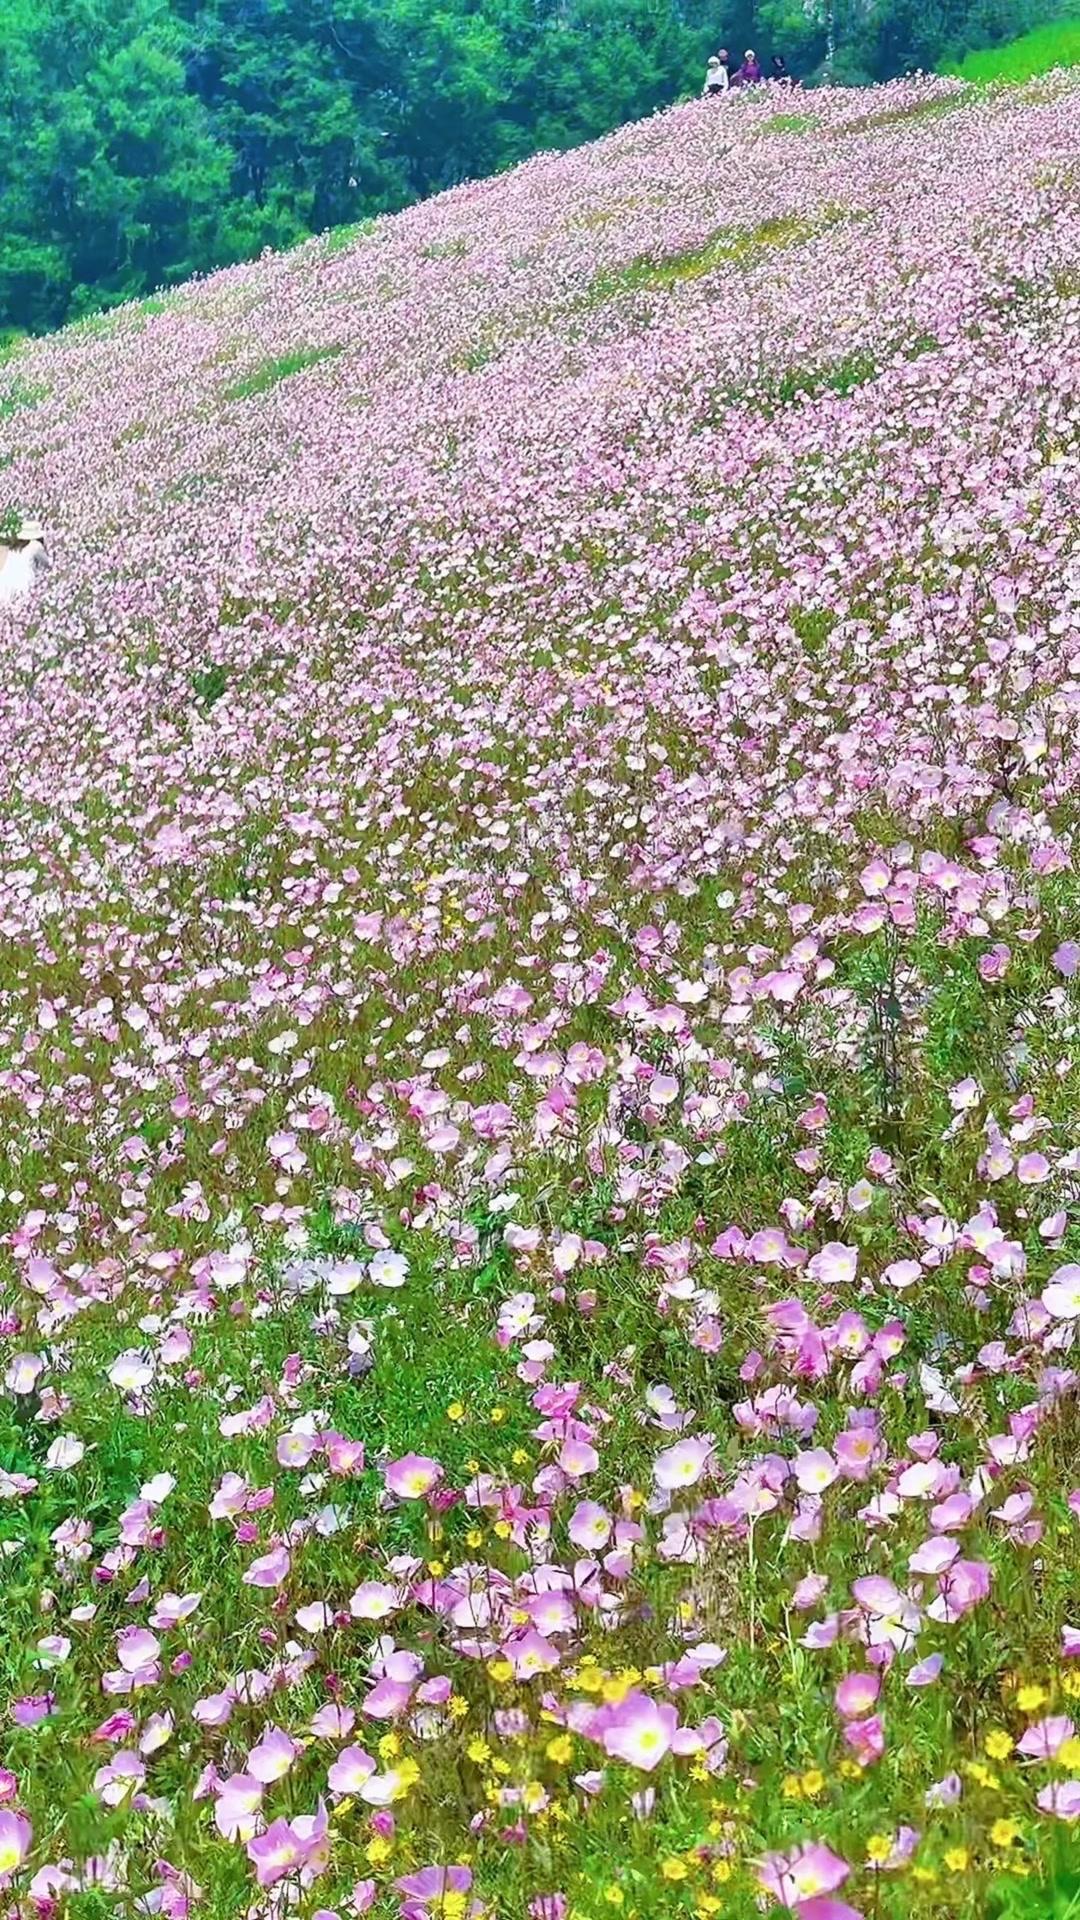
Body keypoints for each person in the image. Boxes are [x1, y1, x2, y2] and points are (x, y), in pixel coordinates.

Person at [0, 518, 48, 605]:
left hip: (6, 587)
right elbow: (48, 563)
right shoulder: (35, 545)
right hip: (25, 585)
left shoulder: (13, 548)